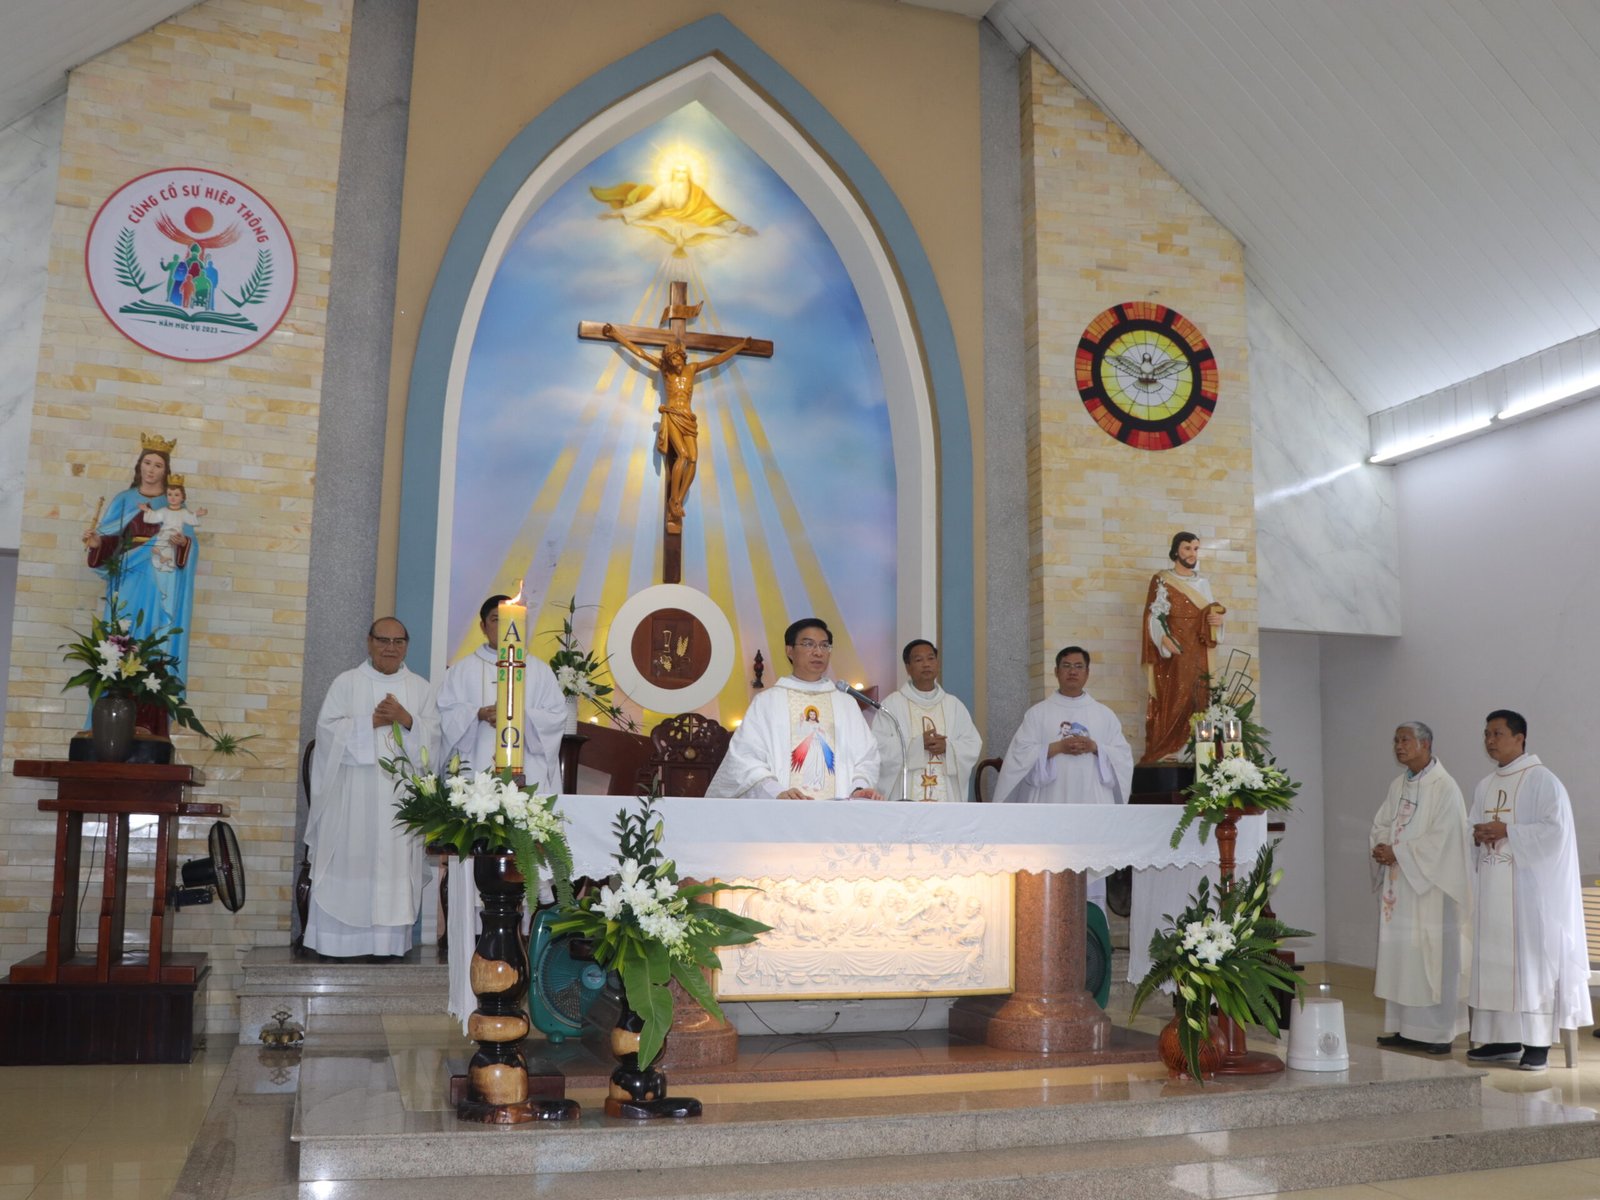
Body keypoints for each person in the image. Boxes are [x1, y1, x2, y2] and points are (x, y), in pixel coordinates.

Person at [1465, 709, 1592, 1072]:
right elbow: (1472, 826)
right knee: (1496, 963)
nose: (1490, 740)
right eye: (1486, 734)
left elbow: (1556, 833)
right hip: (1493, 889)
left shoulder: (1543, 781)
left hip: (1531, 895)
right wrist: (1477, 834)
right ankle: (1502, 1039)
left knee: (1531, 965)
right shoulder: (1485, 785)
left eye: (1497, 733)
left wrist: (1508, 831)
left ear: (1519, 738)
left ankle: (1537, 1044)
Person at [303, 618, 432, 960]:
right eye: (383, 640)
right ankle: (338, 943)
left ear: (407, 646)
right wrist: (371, 722)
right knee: (350, 857)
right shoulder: (346, 683)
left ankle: (387, 946)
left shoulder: (420, 688)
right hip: (352, 795)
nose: (391, 648)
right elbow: (326, 733)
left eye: (398, 641)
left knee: (393, 865)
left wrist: (406, 719)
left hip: (399, 800)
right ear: (369, 642)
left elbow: (435, 744)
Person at [991, 646, 1134, 908]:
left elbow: (1123, 758)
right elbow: (1019, 756)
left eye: (1078, 667)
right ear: (1056, 671)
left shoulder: (1104, 715)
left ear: (1087, 673)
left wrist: (1095, 747)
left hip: (1090, 806)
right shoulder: (1038, 714)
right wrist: (1056, 748)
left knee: (1088, 869)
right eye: (1066, 666)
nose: (1072, 672)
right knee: (1049, 869)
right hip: (1050, 803)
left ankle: (1091, 931)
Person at [1370, 721, 1473, 1054]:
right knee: (1403, 958)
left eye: (1405, 740)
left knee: (1432, 961)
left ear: (1425, 744)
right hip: (1400, 887)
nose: (1398, 746)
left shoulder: (1445, 787)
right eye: (1396, 740)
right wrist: (1381, 846)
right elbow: (1382, 823)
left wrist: (1398, 852)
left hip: (1431, 890)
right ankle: (1406, 1029)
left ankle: (1438, 1034)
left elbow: (1445, 839)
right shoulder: (1398, 785)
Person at [707, 617, 882, 800]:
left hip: (839, 811)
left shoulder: (846, 704)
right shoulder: (767, 702)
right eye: (808, 644)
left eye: (824, 645)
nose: (818, 652)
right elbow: (745, 758)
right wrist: (776, 792)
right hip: (781, 809)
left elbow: (866, 757)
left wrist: (858, 788)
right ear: (789, 650)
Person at [598, 323, 748, 533]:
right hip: (673, 416)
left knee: (693, 459)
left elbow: (716, 361)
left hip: (688, 418)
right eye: (671, 359)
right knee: (683, 456)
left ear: (682, 357)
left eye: (676, 358)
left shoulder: (692, 369)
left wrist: (739, 347)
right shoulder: (665, 371)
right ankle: (673, 499)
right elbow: (640, 353)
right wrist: (616, 335)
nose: (674, 362)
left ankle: (678, 500)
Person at [82, 433, 199, 689]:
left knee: (154, 628)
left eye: (158, 465)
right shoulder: (124, 499)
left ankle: (151, 695)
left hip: (159, 576)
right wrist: (98, 543)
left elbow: (190, 542)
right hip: (128, 574)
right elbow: (111, 537)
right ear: (139, 465)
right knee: (123, 626)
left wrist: (183, 544)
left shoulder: (173, 503)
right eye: (147, 463)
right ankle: (116, 693)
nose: (151, 470)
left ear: (166, 471)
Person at [434, 593, 568, 792]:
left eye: (509, 621)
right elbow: (445, 713)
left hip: (528, 766)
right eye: (496, 619)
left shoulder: (540, 671)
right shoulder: (461, 671)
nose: (504, 626)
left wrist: (518, 717)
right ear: (483, 626)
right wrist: (477, 714)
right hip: (476, 765)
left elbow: (556, 717)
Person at [1140, 531, 1226, 763]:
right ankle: (1168, 747)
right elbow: (1154, 614)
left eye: (1196, 549)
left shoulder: (1203, 583)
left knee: (1199, 694)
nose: (1192, 553)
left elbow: (1210, 612)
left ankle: (1194, 750)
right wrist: (1163, 638)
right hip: (1175, 649)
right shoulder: (1162, 579)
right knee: (1176, 696)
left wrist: (1217, 621)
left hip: (1199, 649)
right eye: (1187, 548)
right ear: (1176, 550)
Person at [874, 639, 983, 802]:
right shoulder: (892, 705)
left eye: (931, 658)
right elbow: (878, 746)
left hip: (945, 800)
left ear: (937, 663)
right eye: (919, 660)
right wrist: (917, 745)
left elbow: (972, 744)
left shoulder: (953, 705)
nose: (926, 664)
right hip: (905, 798)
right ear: (908, 667)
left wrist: (948, 748)